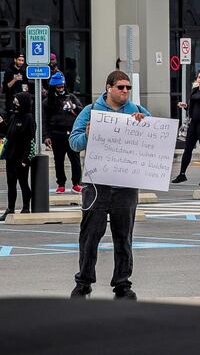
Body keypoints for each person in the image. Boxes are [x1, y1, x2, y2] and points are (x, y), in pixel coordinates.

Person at [68, 69, 150, 300]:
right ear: (109, 88)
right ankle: (83, 282)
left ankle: (122, 284)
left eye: (128, 88)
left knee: (123, 236)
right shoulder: (91, 111)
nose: (125, 91)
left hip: (125, 184)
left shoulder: (136, 111)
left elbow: (153, 135)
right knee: (90, 235)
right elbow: (74, 143)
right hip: (97, 184)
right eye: (121, 87)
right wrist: (88, 136)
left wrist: (144, 125)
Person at [44, 73, 82, 194]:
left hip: (71, 132)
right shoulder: (48, 102)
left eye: (62, 86)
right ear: (53, 87)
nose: (61, 89)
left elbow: (82, 111)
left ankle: (76, 183)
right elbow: (45, 120)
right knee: (58, 160)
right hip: (57, 133)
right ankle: (61, 183)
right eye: (58, 87)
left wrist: (74, 106)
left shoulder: (71, 97)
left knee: (75, 159)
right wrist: (46, 136)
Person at [1, 91, 35, 221]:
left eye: (17, 101)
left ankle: (26, 207)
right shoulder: (13, 117)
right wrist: (2, 124)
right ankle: (10, 209)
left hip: (21, 157)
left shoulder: (28, 118)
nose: (15, 103)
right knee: (11, 184)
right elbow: (8, 133)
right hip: (11, 156)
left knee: (23, 183)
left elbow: (30, 140)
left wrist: (26, 159)